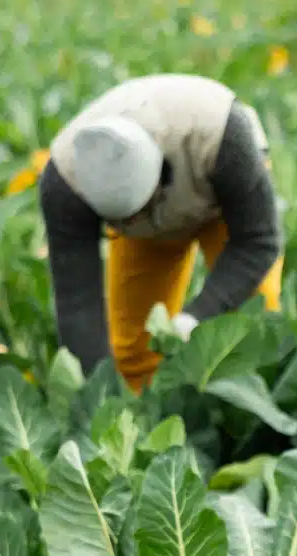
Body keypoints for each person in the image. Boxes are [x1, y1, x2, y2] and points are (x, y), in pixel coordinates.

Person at [37, 74, 284, 393]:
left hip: (222, 205)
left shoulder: (224, 137)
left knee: (256, 324)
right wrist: (95, 398)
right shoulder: (65, 184)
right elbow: (78, 305)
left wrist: (195, 317)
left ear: (160, 180)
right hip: (147, 235)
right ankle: (149, 423)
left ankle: (254, 422)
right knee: (133, 350)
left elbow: (258, 243)